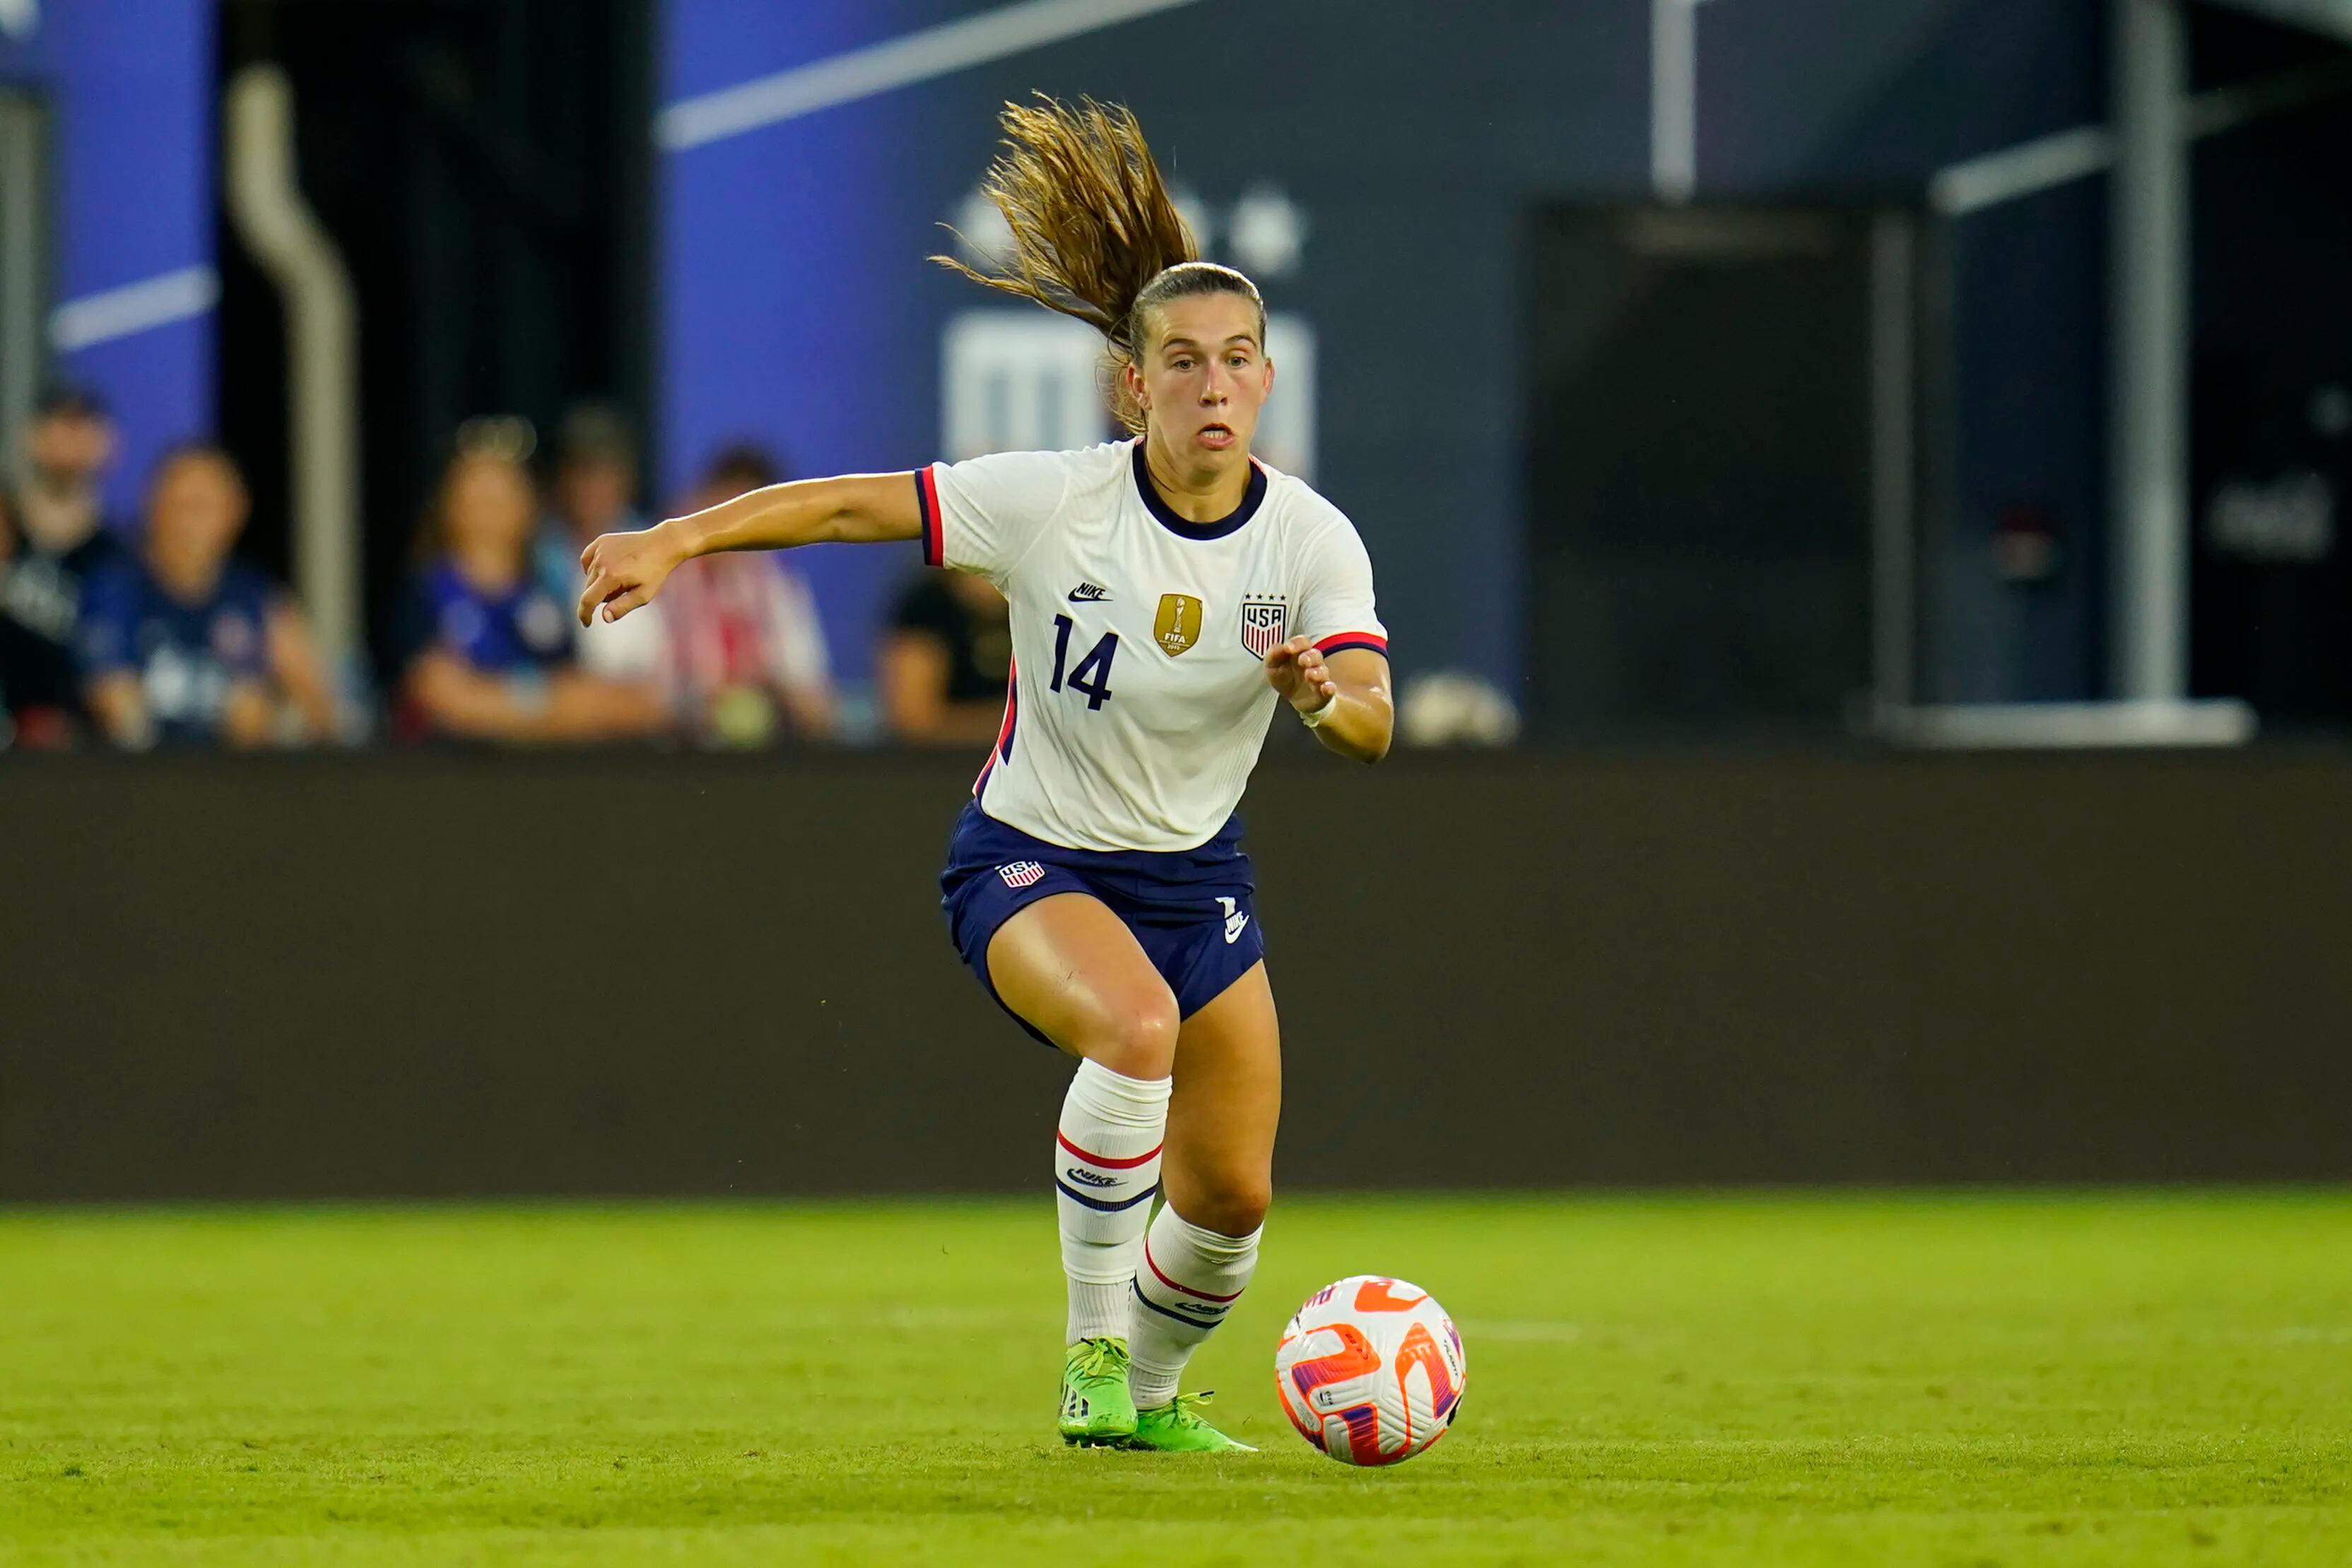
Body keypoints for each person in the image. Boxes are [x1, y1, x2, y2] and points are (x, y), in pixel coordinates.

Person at [576, 97, 1392, 1452]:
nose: (1208, 384)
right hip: (1032, 860)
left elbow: (1370, 719)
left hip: (1198, 878)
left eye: (1234, 360)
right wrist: (679, 536)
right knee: (1134, 1028)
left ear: (1263, 382)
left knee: (1234, 1199)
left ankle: (1139, 1395)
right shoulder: (1054, 499)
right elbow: (851, 504)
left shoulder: (1309, 540)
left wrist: (1319, 698)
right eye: (1178, 361)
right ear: (1134, 384)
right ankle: (1084, 1354)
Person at [401, 441, 668, 745]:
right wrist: (544, 705)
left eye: (503, 493)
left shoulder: (548, 597)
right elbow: (440, 696)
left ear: (527, 504)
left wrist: (504, 702)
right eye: (479, 495)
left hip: (542, 774)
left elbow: (586, 696)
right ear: (451, 504)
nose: (491, 507)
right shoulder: (428, 595)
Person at [78, 444, 336, 749]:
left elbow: (321, 708)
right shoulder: (115, 588)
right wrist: (217, 723)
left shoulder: (256, 595)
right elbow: (115, 706)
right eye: (176, 505)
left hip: (237, 783)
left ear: (235, 513)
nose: (186, 524)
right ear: (152, 507)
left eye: (201, 507)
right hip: (138, 782)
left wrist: (275, 720)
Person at [577, 443, 836, 745]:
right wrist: (696, 708)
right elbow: (609, 696)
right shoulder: (645, 573)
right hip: (660, 759)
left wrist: (769, 699)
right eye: (731, 509)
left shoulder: (777, 588)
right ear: (705, 502)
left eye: (758, 519)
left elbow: (818, 707)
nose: (742, 530)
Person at [0, 385, 131, 743]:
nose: (70, 442)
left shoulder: (123, 557)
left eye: (83, 426)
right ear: (31, 437)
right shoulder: (5, 527)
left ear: (107, 443)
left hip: (80, 761)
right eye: (59, 424)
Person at [531, 403, 649, 609]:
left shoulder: (651, 545)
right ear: (560, 480)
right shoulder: (534, 555)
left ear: (627, 479)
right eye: (582, 474)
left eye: (604, 474)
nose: (592, 489)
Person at [882, 561, 1014, 745]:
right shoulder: (926, 607)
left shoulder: (1045, 603)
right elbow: (915, 719)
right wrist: (1019, 726)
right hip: (945, 767)